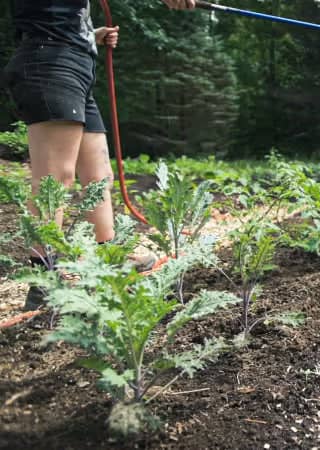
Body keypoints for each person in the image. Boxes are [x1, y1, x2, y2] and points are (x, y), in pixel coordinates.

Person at [3, 0, 197, 311]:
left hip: (73, 63)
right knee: (55, 179)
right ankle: (43, 282)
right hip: (50, 63)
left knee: (98, 177)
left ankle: (111, 256)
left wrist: (88, 35)